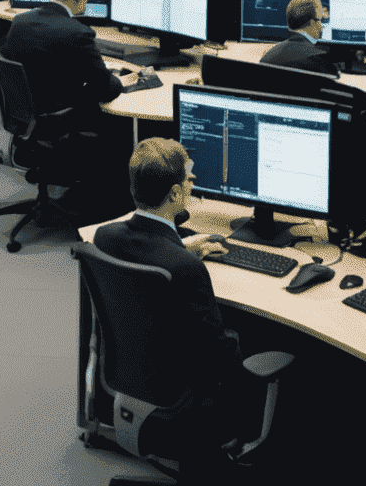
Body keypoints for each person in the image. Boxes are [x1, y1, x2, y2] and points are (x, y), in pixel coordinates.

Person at [92, 139, 250, 462]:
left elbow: (147, 249)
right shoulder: (187, 270)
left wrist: (182, 247)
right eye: (189, 176)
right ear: (176, 194)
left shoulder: (104, 238)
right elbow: (219, 356)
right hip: (178, 398)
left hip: (125, 377)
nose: (194, 181)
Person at [1, 0, 149, 215]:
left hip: (26, 117)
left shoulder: (21, 22)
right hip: (56, 121)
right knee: (117, 119)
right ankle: (114, 204)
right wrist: (119, 77)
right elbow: (107, 89)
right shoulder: (77, 33)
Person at [260, 0, 339, 76]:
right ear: (312, 23)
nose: (321, 26)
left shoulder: (268, 56)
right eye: (320, 20)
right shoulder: (320, 61)